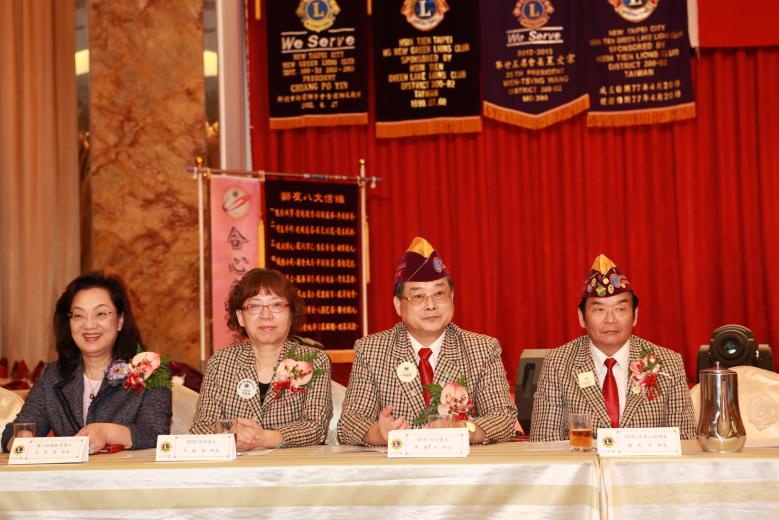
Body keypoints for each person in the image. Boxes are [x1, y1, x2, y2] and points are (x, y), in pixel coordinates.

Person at [338, 237, 517, 446]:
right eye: (418, 296)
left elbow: (503, 418)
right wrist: (377, 434)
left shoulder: (482, 349)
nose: (431, 305)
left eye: (439, 293)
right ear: (398, 305)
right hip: (397, 463)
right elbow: (350, 423)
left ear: (452, 297)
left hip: (460, 464)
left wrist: (462, 429)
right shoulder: (372, 350)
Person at [529, 254, 696, 441]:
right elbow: (544, 442)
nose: (610, 319)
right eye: (599, 309)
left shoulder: (667, 362)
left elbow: (685, 441)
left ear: (635, 315)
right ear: (582, 317)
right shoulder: (558, 363)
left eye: (620, 309)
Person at [2, 272, 171, 453]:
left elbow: (156, 434)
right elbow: (15, 431)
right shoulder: (52, 376)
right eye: (79, 315)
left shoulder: (148, 369)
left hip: (126, 471)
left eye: (101, 314)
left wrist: (107, 432)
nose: (89, 325)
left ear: (120, 321)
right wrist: (21, 438)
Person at [190, 268, 332, 449]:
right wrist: (229, 433)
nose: (266, 315)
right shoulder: (221, 362)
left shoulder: (312, 360)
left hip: (292, 464)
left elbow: (315, 427)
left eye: (276, 305)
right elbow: (201, 426)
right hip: (235, 464)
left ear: (291, 314)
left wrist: (265, 438)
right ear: (241, 317)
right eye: (255, 306)